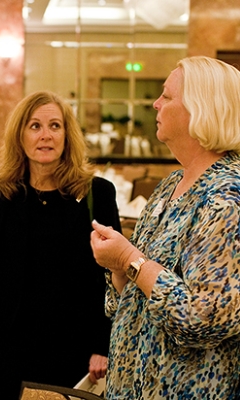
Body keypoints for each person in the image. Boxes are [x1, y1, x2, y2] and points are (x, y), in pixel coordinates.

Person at [90, 55, 240, 399]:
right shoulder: (170, 185)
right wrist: (118, 265)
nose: (156, 104)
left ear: (201, 110)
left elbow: (203, 319)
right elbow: (123, 302)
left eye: (167, 96)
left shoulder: (227, 197)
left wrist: (129, 257)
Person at [0, 90, 121, 399]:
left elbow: (112, 280)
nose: (45, 136)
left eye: (55, 126)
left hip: (75, 349)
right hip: (11, 348)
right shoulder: (4, 193)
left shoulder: (96, 194)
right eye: (35, 126)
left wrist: (102, 346)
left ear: (67, 135)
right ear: (20, 135)